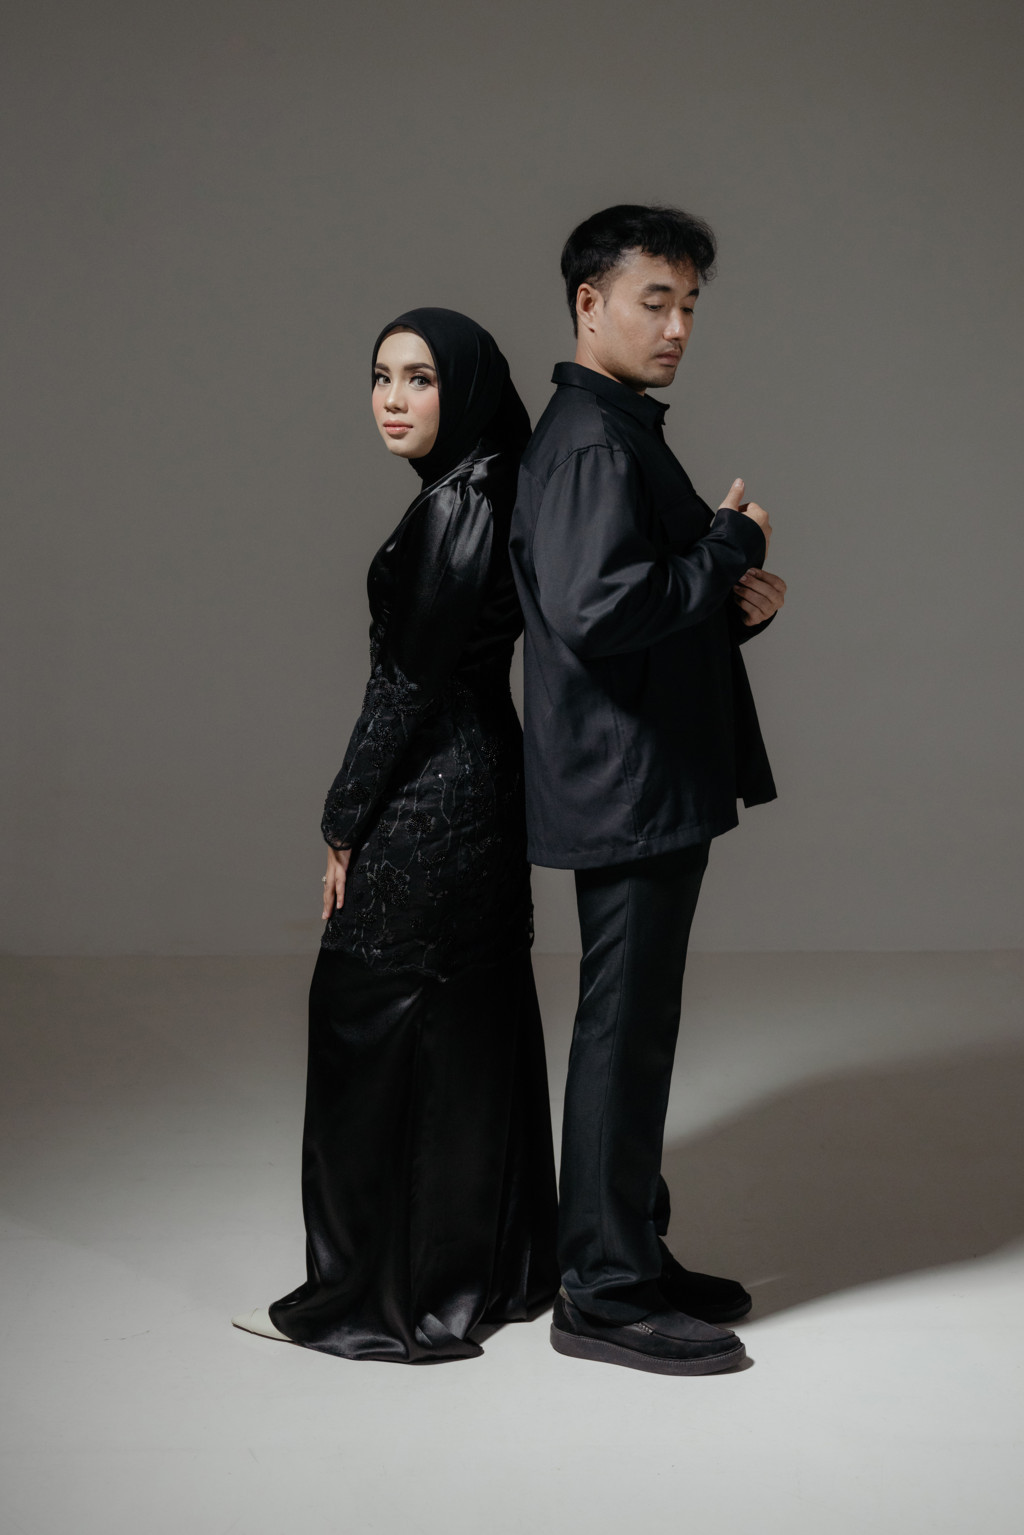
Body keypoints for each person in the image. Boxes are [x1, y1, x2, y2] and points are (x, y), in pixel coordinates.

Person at [233, 308, 559, 1363]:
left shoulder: (459, 504)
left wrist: (342, 820)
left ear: (462, 390)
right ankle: (484, 1268)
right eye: (380, 375)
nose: (391, 398)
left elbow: (407, 687)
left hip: (435, 794)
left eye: (418, 378)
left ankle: (378, 1293)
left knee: (370, 1018)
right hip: (481, 783)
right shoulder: (487, 484)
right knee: (466, 1022)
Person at [509, 205, 787, 1376]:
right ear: (589, 305)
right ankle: (603, 1292)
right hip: (626, 783)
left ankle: (628, 1249)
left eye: (688, 306)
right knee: (622, 1029)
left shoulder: (610, 428)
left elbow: (628, 603)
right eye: (652, 301)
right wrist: (725, 546)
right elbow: (598, 610)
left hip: (640, 773)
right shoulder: (589, 439)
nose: (675, 326)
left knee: (636, 1025)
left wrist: (727, 605)